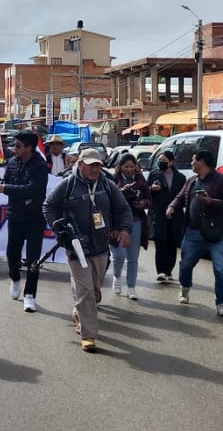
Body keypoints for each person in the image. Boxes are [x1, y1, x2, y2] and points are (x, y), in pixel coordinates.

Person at [44, 148, 130, 352]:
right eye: (90, 164)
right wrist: (58, 226)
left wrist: (125, 229)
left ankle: (79, 312)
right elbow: (48, 206)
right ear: (80, 164)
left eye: (98, 165)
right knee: (86, 290)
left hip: (101, 247)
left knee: (95, 289)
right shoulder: (68, 185)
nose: (94, 169)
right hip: (75, 246)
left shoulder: (108, 186)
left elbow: (123, 209)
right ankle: (89, 335)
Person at [167, 148, 223, 316]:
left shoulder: (222, 181)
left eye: (193, 160)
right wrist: (172, 206)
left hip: (215, 233)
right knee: (186, 265)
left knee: (220, 269)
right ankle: (185, 288)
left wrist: (210, 201)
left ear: (202, 162)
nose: (191, 163)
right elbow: (179, 196)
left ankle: (221, 302)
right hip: (192, 232)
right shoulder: (191, 181)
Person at [0, 130, 50, 312]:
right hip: (15, 216)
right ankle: (15, 278)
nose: (14, 149)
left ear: (29, 148)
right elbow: (8, 182)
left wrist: (6, 188)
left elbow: (33, 189)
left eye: (18, 146)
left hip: (34, 218)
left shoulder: (40, 166)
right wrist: (0, 184)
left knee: (34, 259)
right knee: (12, 254)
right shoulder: (11, 163)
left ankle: (30, 294)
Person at [111, 153, 150, 300]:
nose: (129, 169)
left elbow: (149, 199)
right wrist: (121, 191)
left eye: (132, 166)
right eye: (126, 166)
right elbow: (107, 197)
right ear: (120, 167)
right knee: (118, 255)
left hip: (136, 221)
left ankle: (131, 287)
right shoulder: (113, 179)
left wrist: (143, 203)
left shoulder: (141, 180)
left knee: (133, 258)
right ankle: (116, 277)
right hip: (117, 223)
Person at [148, 149, 189, 284]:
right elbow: (146, 192)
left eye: (164, 161)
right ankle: (160, 271)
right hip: (158, 214)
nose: (161, 163)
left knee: (172, 243)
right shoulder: (154, 174)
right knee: (160, 242)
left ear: (171, 162)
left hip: (174, 214)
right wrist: (151, 189)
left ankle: (168, 271)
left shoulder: (181, 177)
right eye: (159, 161)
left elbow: (183, 196)